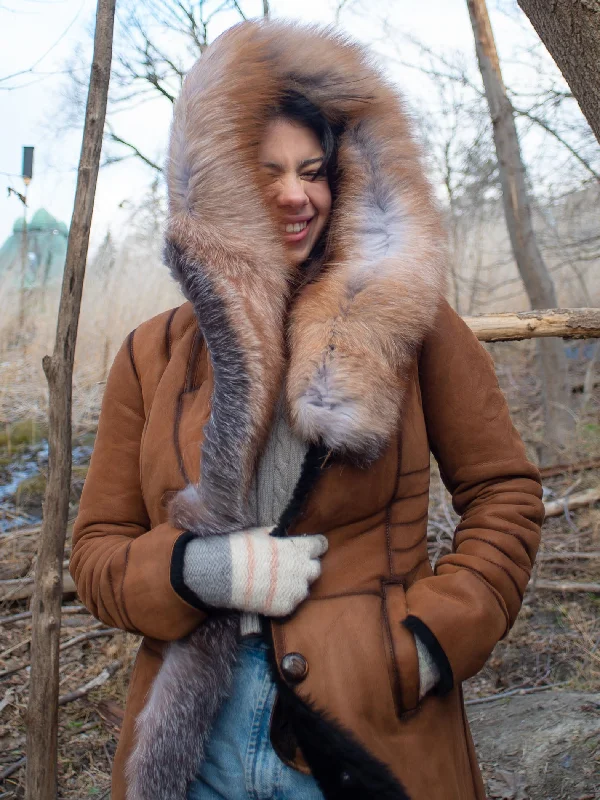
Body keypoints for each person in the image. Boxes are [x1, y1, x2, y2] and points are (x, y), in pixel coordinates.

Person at [70, 20, 545, 800]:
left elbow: (506, 497)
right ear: (217, 182)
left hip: (371, 729)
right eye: (268, 171)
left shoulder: (414, 326)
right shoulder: (150, 354)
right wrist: (197, 569)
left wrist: (427, 642)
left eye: (315, 170)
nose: (296, 194)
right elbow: (96, 553)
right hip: (197, 745)